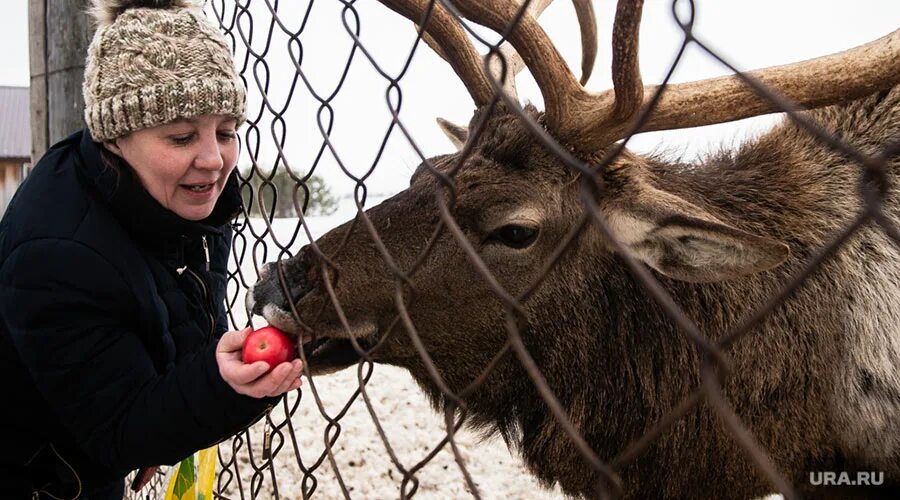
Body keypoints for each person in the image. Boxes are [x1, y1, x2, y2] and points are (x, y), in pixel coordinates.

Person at [0, 1, 304, 498]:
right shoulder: (57, 254)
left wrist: (166, 414)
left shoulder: (184, 196)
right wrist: (211, 389)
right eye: (182, 135)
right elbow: (117, 429)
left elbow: (170, 305)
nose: (214, 160)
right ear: (114, 137)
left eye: (227, 131)